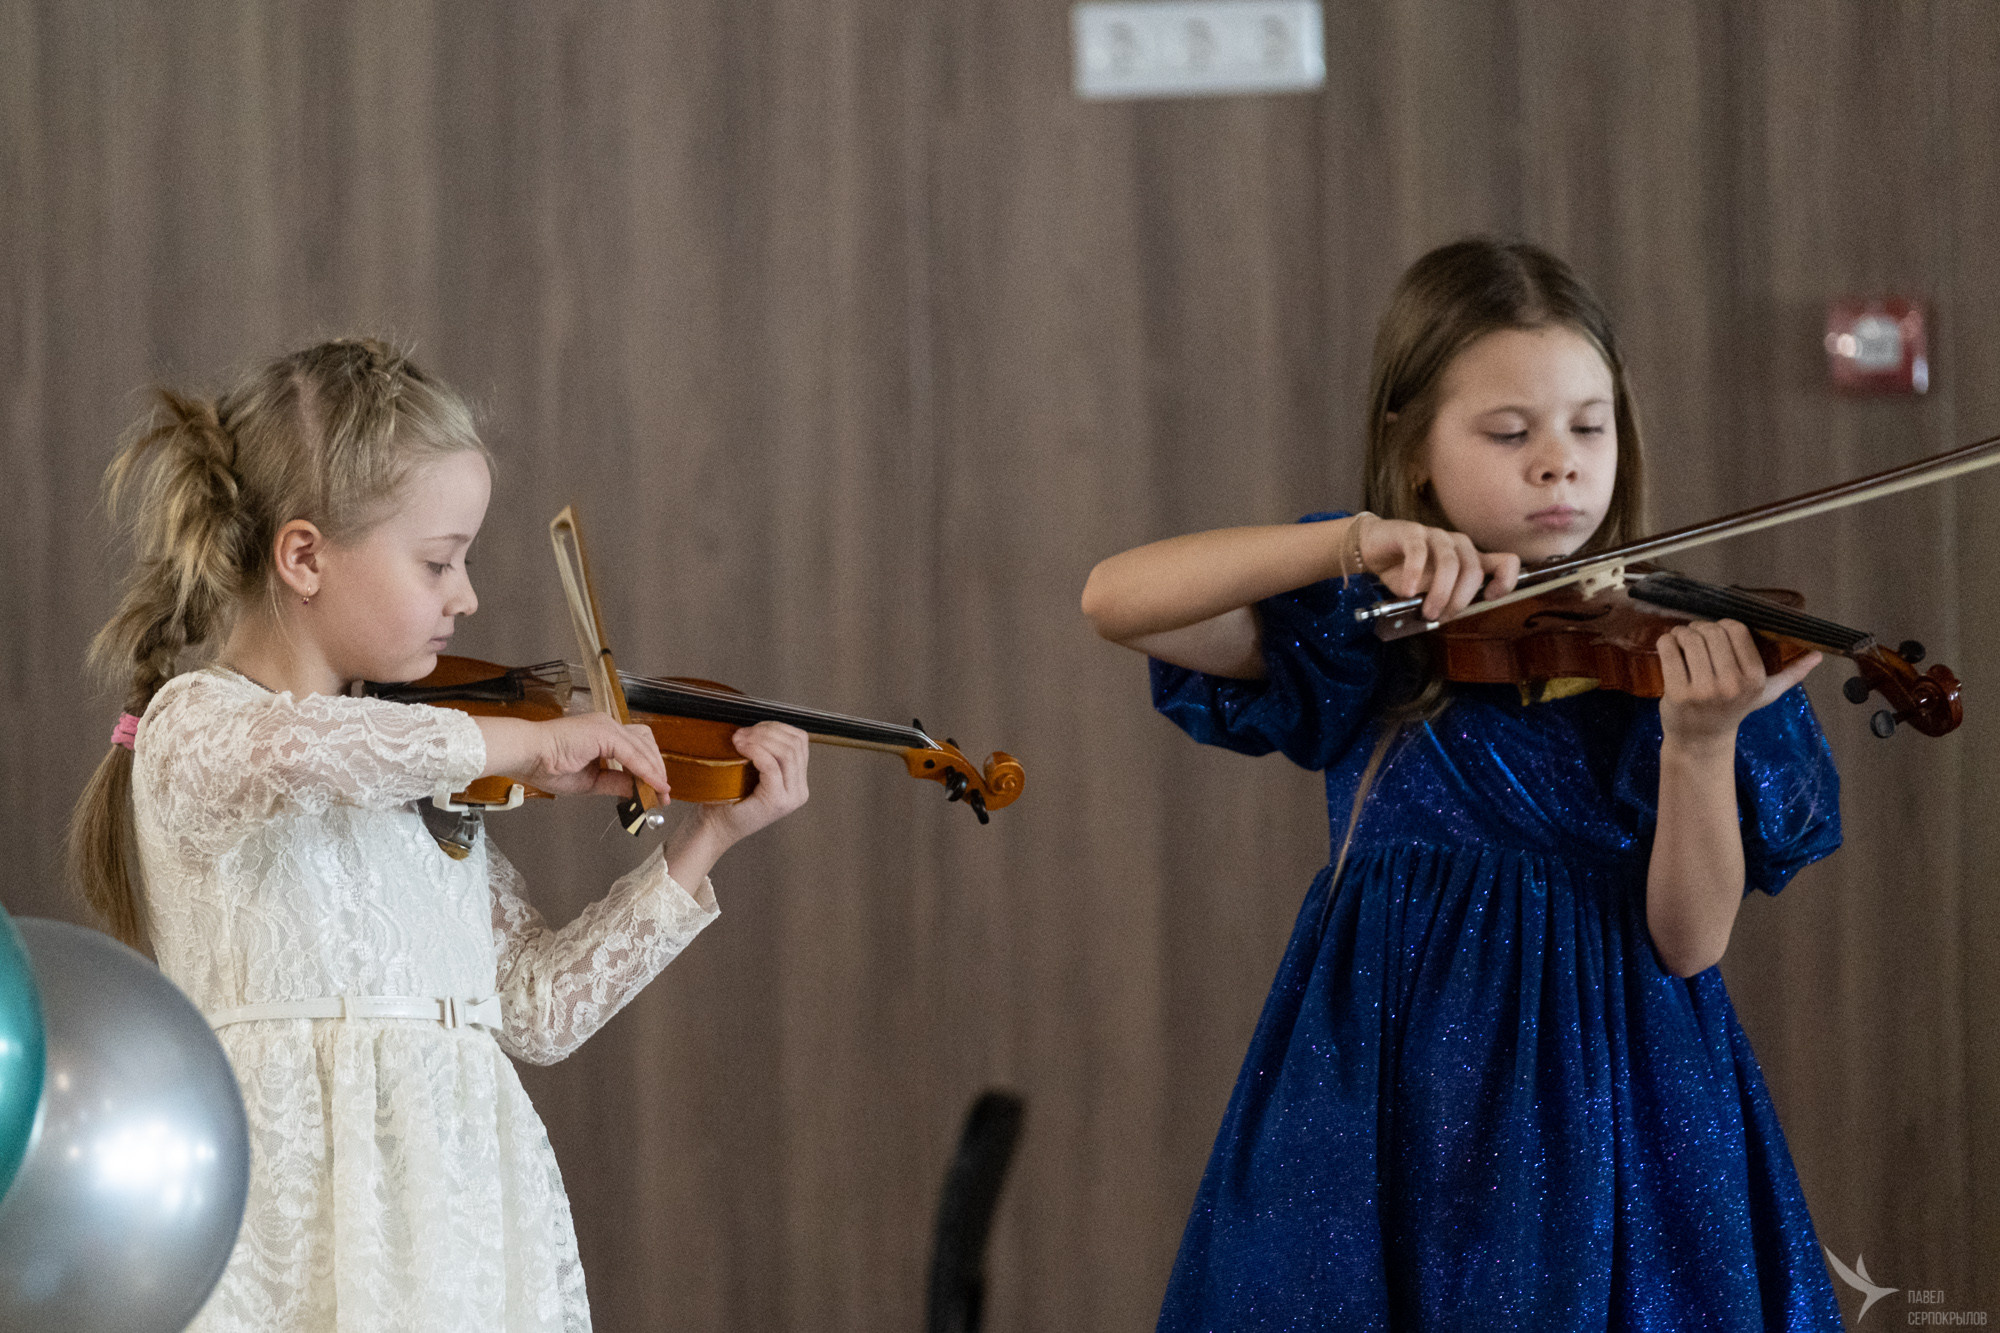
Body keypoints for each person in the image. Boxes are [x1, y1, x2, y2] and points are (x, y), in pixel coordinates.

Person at [1082, 239, 1845, 1330]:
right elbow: (1115, 599)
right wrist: (1344, 544)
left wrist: (1697, 743)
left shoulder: (1688, 654)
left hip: (1616, 1103)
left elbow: (1687, 943)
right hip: (1383, 1092)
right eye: (1507, 431)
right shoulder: (1367, 632)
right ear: (1411, 446)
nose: (1559, 463)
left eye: (1589, 425)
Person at [66, 338, 810, 1333]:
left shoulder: (425, 784)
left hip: (460, 1237)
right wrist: (523, 739)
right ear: (303, 556)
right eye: (437, 561)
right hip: (286, 1230)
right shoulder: (197, 728)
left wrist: (708, 838)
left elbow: (539, 1008)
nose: (466, 596)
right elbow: (298, 751)